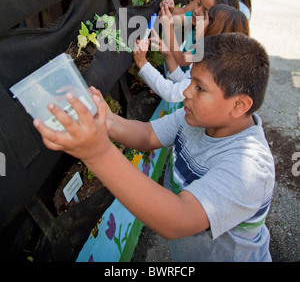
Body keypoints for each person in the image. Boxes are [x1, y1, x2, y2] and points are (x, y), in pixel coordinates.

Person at [33, 33, 275, 262]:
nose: (186, 92)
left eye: (200, 88)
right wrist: (104, 118)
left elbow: (177, 219)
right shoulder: (195, 119)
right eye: (190, 80)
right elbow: (148, 134)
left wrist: (97, 153)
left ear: (239, 105)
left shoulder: (249, 168)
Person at [133, 4, 250, 104]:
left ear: (215, 31)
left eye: (204, 18)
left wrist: (142, 62)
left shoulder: (209, 71)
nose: (198, 22)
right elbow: (183, 79)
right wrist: (168, 54)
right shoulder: (208, 60)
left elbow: (172, 93)